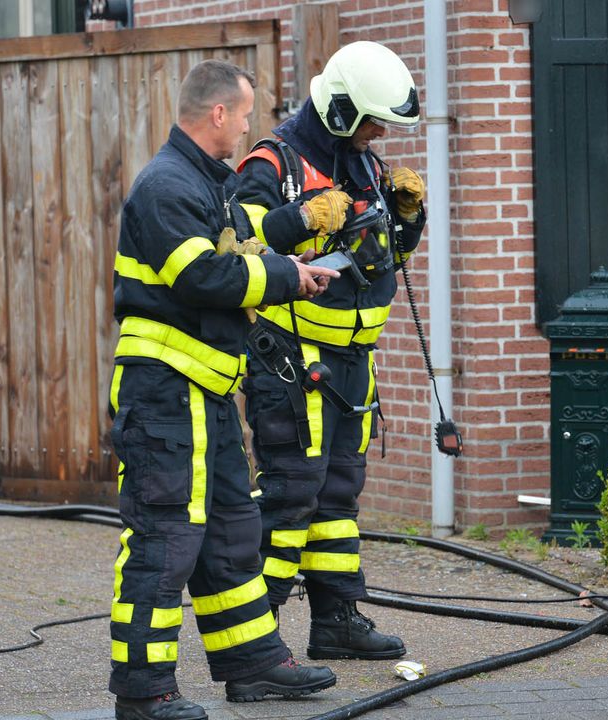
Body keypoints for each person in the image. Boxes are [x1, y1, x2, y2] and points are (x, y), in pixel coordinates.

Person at [106, 60, 341, 720]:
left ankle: (253, 665)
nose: (246, 127)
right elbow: (202, 277)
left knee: (232, 531)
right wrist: (286, 280)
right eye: (242, 115)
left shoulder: (205, 182)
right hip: (164, 396)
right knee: (164, 539)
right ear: (216, 114)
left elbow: (241, 247)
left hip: (203, 395)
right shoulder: (166, 186)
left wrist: (292, 256)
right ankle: (144, 692)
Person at [232, 40, 426, 661]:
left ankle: (336, 620)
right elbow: (237, 244)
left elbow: (384, 259)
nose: (380, 134)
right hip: (292, 359)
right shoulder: (274, 163)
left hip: (352, 363)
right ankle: (255, 641)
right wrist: (302, 219)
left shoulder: (363, 163)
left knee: (338, 493)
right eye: (373, 121)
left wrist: (407, 219)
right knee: (291, 492)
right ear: (343, 109)